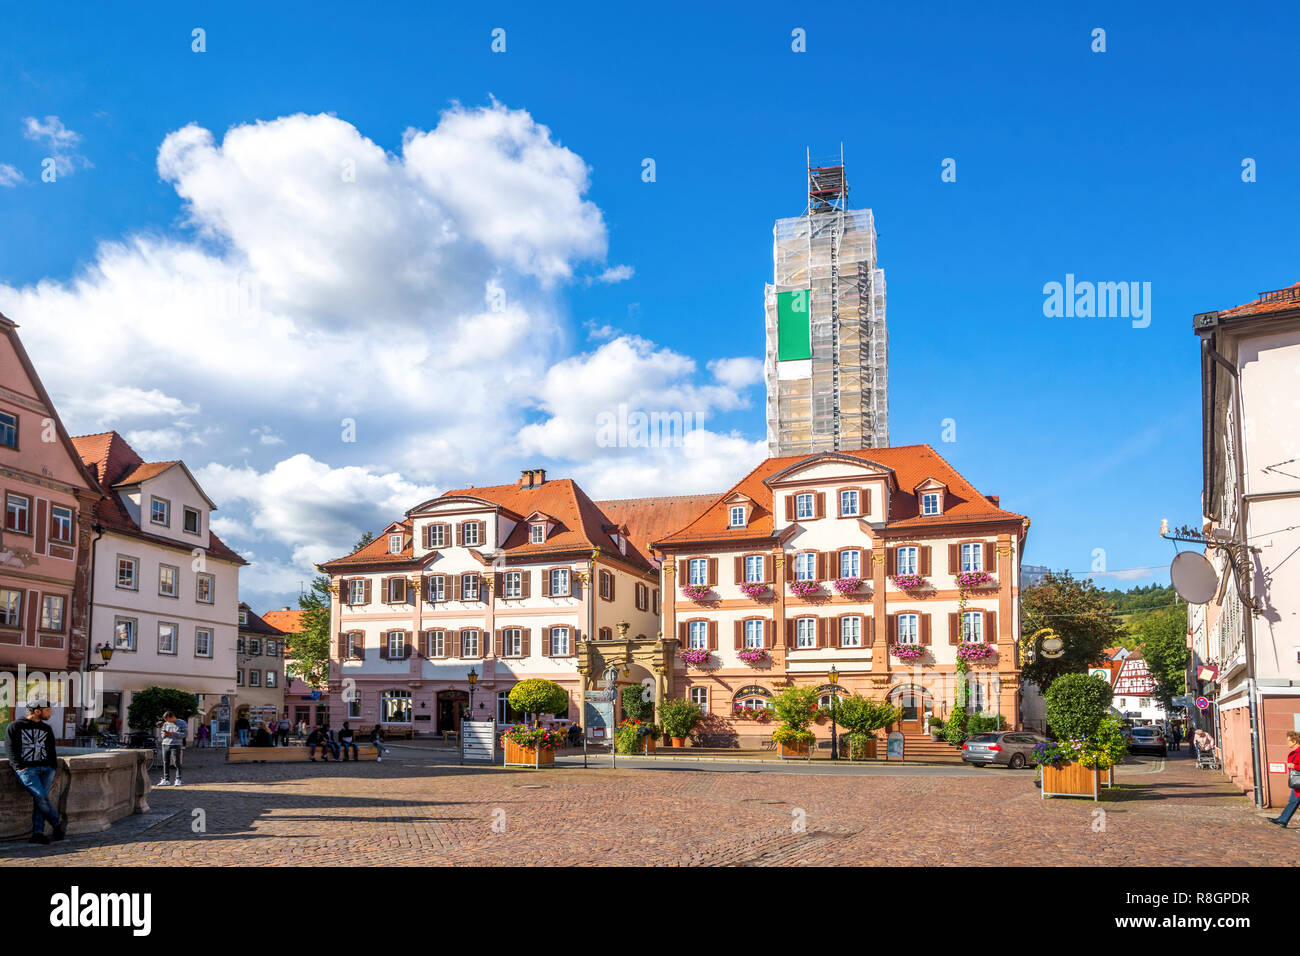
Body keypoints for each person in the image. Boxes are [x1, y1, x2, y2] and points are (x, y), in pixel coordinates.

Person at [4, 698, 66, 844]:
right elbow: (10, 748)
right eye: (48, 710)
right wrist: (19, 767)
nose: (50, 713)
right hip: (27, 769)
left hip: (46, 769)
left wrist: (52, 767)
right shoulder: (15, 726)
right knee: (41, 797)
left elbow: (51, 749)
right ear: (37, 711)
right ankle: (57, 825)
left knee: (40, 799)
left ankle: (38, 833)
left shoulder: (46, 728)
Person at [1270, 731, 1300, 827]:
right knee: (1293, 801)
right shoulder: (1295, 753)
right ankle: (1282, 820)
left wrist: (1294, 766)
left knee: (1293, 801)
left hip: (1298, 781)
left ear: (1294, 741)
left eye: (1288, 741)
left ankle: (1282, 820)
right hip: (1296, 782)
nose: (1287, 742)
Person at [158, 711, 187, 787]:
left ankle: (178, 779)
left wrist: (173, 734)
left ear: (172, 717)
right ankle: (166, 779)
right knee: (165, 762)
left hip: (176, 744)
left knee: (176, 762)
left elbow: (185, 734)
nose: (167, 721)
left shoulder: (182, 723)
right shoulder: (165, 724)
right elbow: (161, 733)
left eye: (167, 719)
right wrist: (163, 734)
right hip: (165, 744)